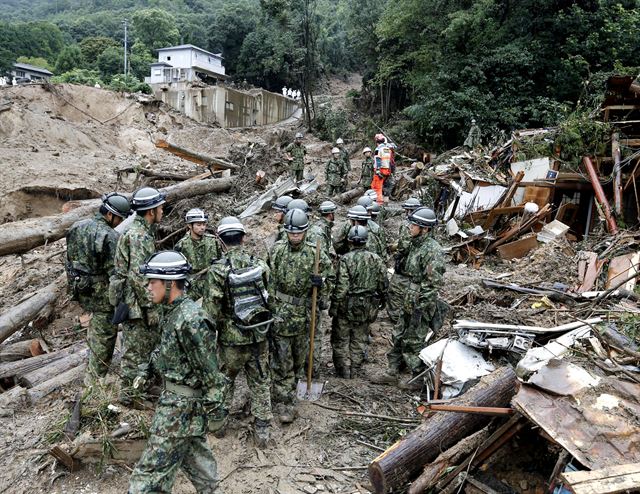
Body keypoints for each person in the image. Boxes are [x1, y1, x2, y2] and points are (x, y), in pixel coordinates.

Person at [128, 251, 226, 494]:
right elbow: (165, 350)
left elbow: (210, 373)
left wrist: (216, 412)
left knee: (147, 480)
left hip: (178, 411)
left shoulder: (191, 319)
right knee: (204, 474)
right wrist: (147, 370)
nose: (148, 287)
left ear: (170, 283)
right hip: (180, 409)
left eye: (153, 282)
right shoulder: (172, 313)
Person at [204, 217, 273, 447]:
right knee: (260, 380)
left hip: (230, 340)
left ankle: (219, 425)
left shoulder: (217, 270)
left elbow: (211, 310)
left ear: (221, 241)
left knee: (225, 380)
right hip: (258, 336)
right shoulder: (260, 265)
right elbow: (269, 299)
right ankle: (263, 430)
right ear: (243, 238)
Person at [268, 209, 334, 423]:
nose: (295, 236)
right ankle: (284, 402)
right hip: (280, 314)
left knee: (299, 359)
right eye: (291, 233)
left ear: (305, 232)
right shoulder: (277, 251)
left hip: (304, 315)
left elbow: (331, 279)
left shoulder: (316, 253)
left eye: (298, 233)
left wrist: (321, 283)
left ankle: (293, 389)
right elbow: (267, 279)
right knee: (281, 360)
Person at [373, 207, 446, 389]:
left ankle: (418, 377)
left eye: (414, 225)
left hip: (420, 300)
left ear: (425, 228)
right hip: (409, 296)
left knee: (414, 339)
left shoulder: (432, 250)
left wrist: (420, 306)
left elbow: (432, 283)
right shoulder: (415, 244)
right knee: (398, 334)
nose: (410, 227)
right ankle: (392, 371)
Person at [66, 193, 131, 384]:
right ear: (111, 215)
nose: (119, 222)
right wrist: (121, 299)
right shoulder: (110, 236)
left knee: (95, 329)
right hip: (102, 292)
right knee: (105, 334)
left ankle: (92, 368)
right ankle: (96, 378)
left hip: (81, 286)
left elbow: (69, 260)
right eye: (119, 218)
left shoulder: (77, 226)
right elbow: (115, 271)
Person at [110, 187, 165, 404]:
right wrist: (150, 307)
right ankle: (129, 396)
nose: (162, 211)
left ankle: (140, 389)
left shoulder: (139, 232)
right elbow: (139, 276)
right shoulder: (139, 236)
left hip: (134, 300)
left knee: (142, 348)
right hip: (136, 304)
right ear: (151, 211)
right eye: (160, 208)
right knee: (134, 351)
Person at [330, 226, 387, 379]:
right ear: (366, 241)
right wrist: (383, 301)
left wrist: (334, 306)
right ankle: (355, 368)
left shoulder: (345, 259)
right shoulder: (376, 259)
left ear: (349, 241)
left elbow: (342, 286)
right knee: (359, 337)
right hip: (367, 305)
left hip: (346, 304)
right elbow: (383, 284)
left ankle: (343, 370)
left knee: (341, 337)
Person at [387, 197, 422, 324]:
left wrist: (396, 251)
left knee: (395, 292)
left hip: (405, 267)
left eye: (408, 210)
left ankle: (396, 319)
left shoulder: (409, 226)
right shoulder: (426, 227)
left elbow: (404, 245)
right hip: (415, 269)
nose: (406, 212)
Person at [175, 208, 222, 301]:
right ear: (189, 225)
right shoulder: (181, 245)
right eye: (198, 225)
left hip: (212, 283)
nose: (202, 227)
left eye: (204, 224)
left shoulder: (213, 241)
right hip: (192, 286)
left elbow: (221, 261)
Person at [372, 134, 394, 205]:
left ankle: (379, 204)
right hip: (387, 170)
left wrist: (378, 170)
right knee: (386, 186)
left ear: (376, 141)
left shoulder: (378, 149)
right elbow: (390, 161)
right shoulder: (387, 149)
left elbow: (378, 159)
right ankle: (386, 202)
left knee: (377, 187)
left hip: (380, 170)